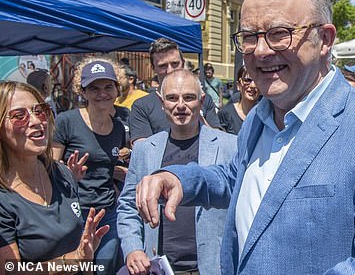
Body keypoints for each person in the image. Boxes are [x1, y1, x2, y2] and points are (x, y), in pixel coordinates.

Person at [135, 0, 355, 274]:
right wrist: (182, 181)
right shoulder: (259, 117)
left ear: (325, 40)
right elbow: (238, 178)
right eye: (249, 37)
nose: (261, 51)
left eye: (279, 33)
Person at [118, 69, 237, 274]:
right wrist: (133, 248)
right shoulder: (145, 150)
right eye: (172, 98)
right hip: (160, 267)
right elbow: (128, 205)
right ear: (161, 102)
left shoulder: (231, 146)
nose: (180, 105)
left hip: (213, 267)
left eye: (188, 97)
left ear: (201, 100)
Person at [0, 81, 108, 265]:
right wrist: (70, 261)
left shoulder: (62, 173)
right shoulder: (4, 198)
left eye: (39, 110)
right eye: (19, 115)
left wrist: (85, 256)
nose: (36, 121)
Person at [51, 58, 126, 274]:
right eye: (94, 88)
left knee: (104, 269)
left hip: (107, 212)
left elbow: (109, 169)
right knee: (79, 270)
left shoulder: (119, 128)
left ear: (117, 90)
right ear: (82, 92)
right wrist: (68, 172)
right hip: (75, 212)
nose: (102, 93)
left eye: (108, 87)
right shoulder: (67, 121)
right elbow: (50, 166)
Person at [129, 38, 220, 145]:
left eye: (175, 63)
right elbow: (142, 150)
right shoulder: (142, 106)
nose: (170, 70)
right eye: (163, 66)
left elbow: (218, 142)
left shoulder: (204, 99)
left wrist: (196, 112)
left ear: (183, 63)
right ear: (153, 68)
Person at [218, 66, 260, 135]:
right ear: (238, 85)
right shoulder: (226, 114)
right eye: (247, 80)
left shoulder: (266, 115)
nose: (253, 85)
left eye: (257, 80)